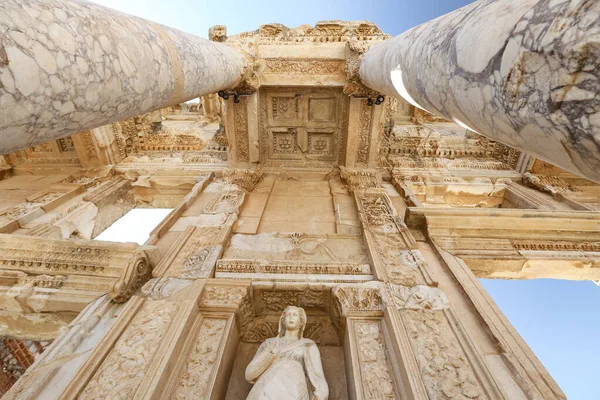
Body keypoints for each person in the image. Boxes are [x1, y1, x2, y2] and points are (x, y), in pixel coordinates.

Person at [245, 306, 329, 400]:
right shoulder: (270, 343)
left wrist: (320, 395)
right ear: (283, 320)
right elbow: (250, 373)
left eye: (295, 315)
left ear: (301, 322)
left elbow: (318, 375)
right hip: (266, 386)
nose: (291, 317)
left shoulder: (307, 345)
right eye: (288, 315)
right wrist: (270, 353)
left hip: (295, 388)